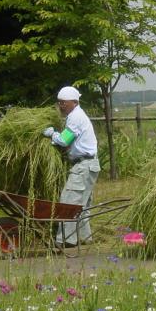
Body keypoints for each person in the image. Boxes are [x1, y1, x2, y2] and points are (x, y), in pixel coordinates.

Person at [42, 86, 100, 248]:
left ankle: (66, 240)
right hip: (89, 164)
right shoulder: (76, 115)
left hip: (84, 165)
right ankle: (84, 237)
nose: (61, 105)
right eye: (59, 102)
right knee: (81, 205)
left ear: (74, 102)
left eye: (64, 103)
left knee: (68, 202)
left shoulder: (75, 117)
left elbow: (64, 140)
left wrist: (52, 134)